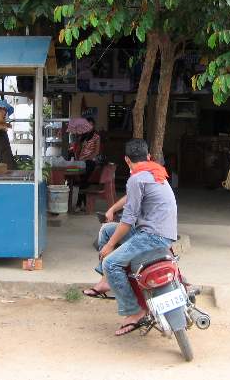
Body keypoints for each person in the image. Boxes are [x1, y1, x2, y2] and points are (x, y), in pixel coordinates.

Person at [82, 139, 177, 336]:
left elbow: (128, 220)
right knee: (107, 230)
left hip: (152, 236)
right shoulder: (155, 172)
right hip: (163, 233)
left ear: (126, 159)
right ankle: (106, 281)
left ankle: (135, 311)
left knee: (111, 263)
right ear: (148, 156)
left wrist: (110, 245)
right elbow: (131, 197)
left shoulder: (137, 178)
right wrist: (112, 208)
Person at [74, 117, 101, 211]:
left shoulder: (96, 137)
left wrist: (87, 158)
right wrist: (77, 157)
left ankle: (78, 204)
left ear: (93, 126)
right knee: (83, 182)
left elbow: (96, 152)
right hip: (81, 162)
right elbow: (78, 150)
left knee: (83, 181)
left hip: (90, 162)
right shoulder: (82, 136)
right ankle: (85, 205)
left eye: (91, 125)